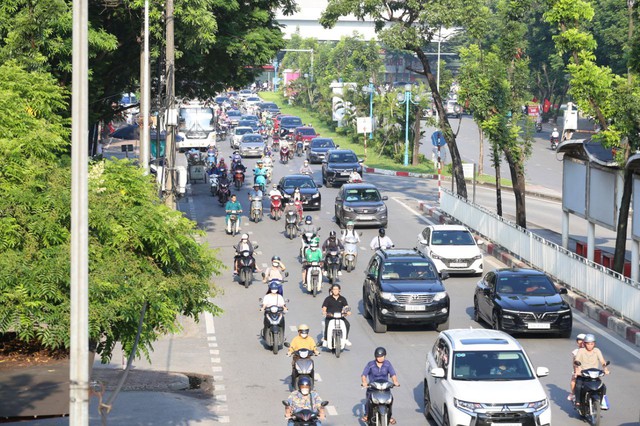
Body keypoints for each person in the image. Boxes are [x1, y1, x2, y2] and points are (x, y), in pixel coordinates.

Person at [361, 347, 399, 424]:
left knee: (390, 400)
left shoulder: (387, 364)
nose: (380, 358)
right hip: (373, 387)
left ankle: (389, 415)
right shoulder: (370, 364)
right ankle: (368, 414)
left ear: (384, 356)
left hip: (385, 387)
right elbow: (364, 375)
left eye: (382, 356)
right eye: (378, 357)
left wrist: (395, 381)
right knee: (369, 400)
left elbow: (393, 374)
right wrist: (364, 382)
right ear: (375, 357)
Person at [573, 334, 609, 404]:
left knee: (603, 387)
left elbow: (602, 361)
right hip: (583, 374)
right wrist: (578, 371)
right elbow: (577, 361)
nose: (590, 346)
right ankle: (578, 401)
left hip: (594, 374)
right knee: (578, 386)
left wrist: (605, 369)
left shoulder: (597, 350)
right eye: (588, 344)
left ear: (594, 344)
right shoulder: (581, 351)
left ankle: (602, 401)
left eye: (591, 344)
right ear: (584, 344)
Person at [568, 333, 586, 401]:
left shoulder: (591, 351)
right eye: (579, 341)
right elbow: (574, 363)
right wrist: (575, 371)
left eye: (583, 341)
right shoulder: (576, 351)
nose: (581, 343)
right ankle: (573, 394)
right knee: (573, 381)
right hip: (579, 371)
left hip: (589, 371)